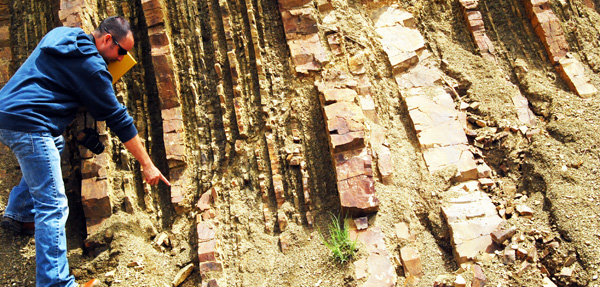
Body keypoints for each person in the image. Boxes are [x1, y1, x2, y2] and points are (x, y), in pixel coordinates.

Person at [0, 16, 170, 287]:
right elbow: (118, 118)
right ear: (106, 40)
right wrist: (147, 164)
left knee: (53, 147)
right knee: (53, 205)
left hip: (8, 111)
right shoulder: (93, 69)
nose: (120, 58)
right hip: (31, 124)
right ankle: (55, 283)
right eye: (121, 51)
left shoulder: (62, 35)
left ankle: (20, 212)